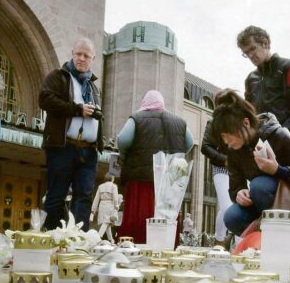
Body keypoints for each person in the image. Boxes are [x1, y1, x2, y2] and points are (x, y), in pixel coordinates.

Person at [211, 90, 290, 236]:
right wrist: (239, 194)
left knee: (259, 185)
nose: (226, 141)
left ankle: (280, 237)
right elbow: (235, 187)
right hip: (261, 206)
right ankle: (261, 241)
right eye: (223, 137)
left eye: (229, 135)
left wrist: (278, 170)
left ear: (246, 123)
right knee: (231, 217)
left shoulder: (278, 135)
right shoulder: (234, 150)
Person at [39, 37, 103, 232]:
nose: (81, 59)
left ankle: (79, 241)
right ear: (72, 54)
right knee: (56, 195)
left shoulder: (93, 86)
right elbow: (45, 100)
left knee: (84, 196)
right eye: (78, 54)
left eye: (86, 56)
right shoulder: (58, 76)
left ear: (93, 58)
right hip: (63, 147)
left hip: (89, 150)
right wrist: (77, 109)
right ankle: (50, 237)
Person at [116, 90, 193, 244]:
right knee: (166, 221)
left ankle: (136, 248)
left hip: (141, 179)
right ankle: (165, 251)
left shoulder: (137, 118)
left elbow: (122, 139)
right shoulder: (179, 122)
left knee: (141, 215)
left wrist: (125, 156)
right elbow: (189, 143)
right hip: (169, 183)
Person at [237, 26, 290, 153]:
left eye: (253, 49)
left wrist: (280, 137)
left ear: (265, 43)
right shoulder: (250, 79)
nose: (250, 55)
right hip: (263, 145)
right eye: (246, 53)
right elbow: (249, 113)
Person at [201, 119, 232, 244]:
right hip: (221, 168)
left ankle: (238, 244)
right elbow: (205, 147)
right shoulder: (213, 123)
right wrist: (225, 160)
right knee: (226, 207)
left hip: (240, 168)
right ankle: (219, 240)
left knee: (233, 207)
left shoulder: (241, 120)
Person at [91, 175, 121, 242]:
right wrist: (117, 206)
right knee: (106, 222)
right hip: (110, 205)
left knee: (107, 223)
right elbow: (115, 197)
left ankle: (111, 240)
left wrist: (94, 209)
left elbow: (96, 198)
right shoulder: (114, 186)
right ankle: (97, 238)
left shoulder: (100, 186)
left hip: (102, 205)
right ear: (112, 179)